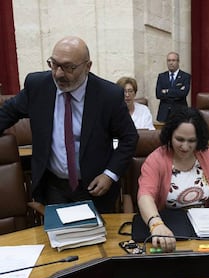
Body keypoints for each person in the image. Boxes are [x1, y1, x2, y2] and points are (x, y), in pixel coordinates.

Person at [0, 36, 138, 213]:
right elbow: (8, 113)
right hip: (53, 186)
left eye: (68, 67)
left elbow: (129, 138)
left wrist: (109, 174)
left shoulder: (108, 95)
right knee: (57, 238)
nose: (58, 73)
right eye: (54, 64)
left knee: (96, 239)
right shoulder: (38, 86)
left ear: (88, 66)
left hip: (95, 188)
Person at [138, 107, 209, 252]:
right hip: (170, 225)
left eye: (192, 141)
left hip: (205, 227)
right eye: (179, 139)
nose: (185, 146)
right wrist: (156, 224)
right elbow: (145, 195)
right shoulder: (156, 160)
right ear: (170, 135)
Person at [155, 52, 191, 122]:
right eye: (169, 60)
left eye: (173, 60)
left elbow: (183, 93)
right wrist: (176, 92)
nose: (171, 63)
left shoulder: (185, 76)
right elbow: (158, 94)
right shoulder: (162, 76)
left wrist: (167, 91)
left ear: (178, 62)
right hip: (164, 114)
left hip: (180, 113)